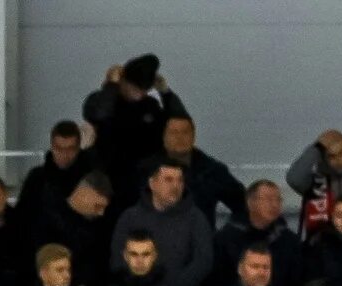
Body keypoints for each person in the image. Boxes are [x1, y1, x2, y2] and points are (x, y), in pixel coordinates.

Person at [84, 55, 187, 206]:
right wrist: (112, 85)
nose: (140, 94)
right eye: (136, 88)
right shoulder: (101, 100)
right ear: (123, 81)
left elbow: (181, 125)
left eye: (145, 89)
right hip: (108, 182)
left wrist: (165, 92)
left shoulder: (150, 106)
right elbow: (100, 114)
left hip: (143, 186)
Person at [109, 159, 215, 286]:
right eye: (168, 180)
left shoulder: (196, 219)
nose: (175, 186)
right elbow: (118, 258)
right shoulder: (130, 217)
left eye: (180, 181)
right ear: (152, 183)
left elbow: (203, 262)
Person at [151, 114, 247, 227]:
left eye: (185, 132)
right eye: (174, 133)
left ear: (194, 135)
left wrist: (229, 237)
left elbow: (244, 206)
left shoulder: (212, 171)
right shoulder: (146, 170)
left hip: (201, 241)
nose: (180, 138)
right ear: (164, 137)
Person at [215, 178, 303, 286]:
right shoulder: (226, 238)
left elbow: (296, 280)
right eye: (268, 199)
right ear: (250, 202)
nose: (274, 205)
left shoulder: (289, 240)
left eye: (278, 200)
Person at [19, 121, 97, 243]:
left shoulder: (92, 180)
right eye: (59, 148)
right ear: (52, 146)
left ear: (78, 148)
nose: (64, 154)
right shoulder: (37, 178)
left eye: (70, 149)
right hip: (44, 252)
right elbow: (23, 217)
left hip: (81, 252)